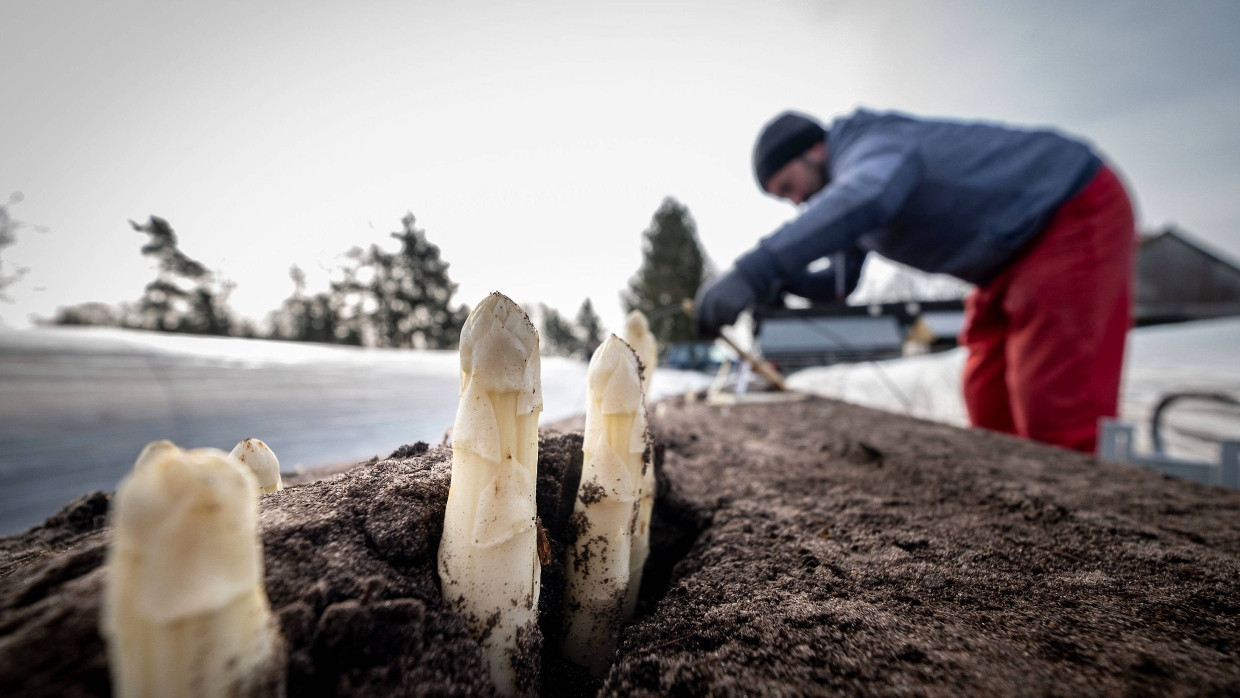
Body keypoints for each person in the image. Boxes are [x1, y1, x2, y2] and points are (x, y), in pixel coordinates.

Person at [694, 108, 1136, 453]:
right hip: (1004, 263)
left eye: (790, 185)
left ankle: (1086, 548)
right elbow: (841, 283)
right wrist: (785, 283)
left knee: (1053, 401)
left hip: (1066, 212)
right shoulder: (855, 189)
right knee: (988, 391)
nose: (797, 202)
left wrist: (755, 269)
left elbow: (868, 196)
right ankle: (1026, 515)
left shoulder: (872, 146)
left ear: (814, 150)